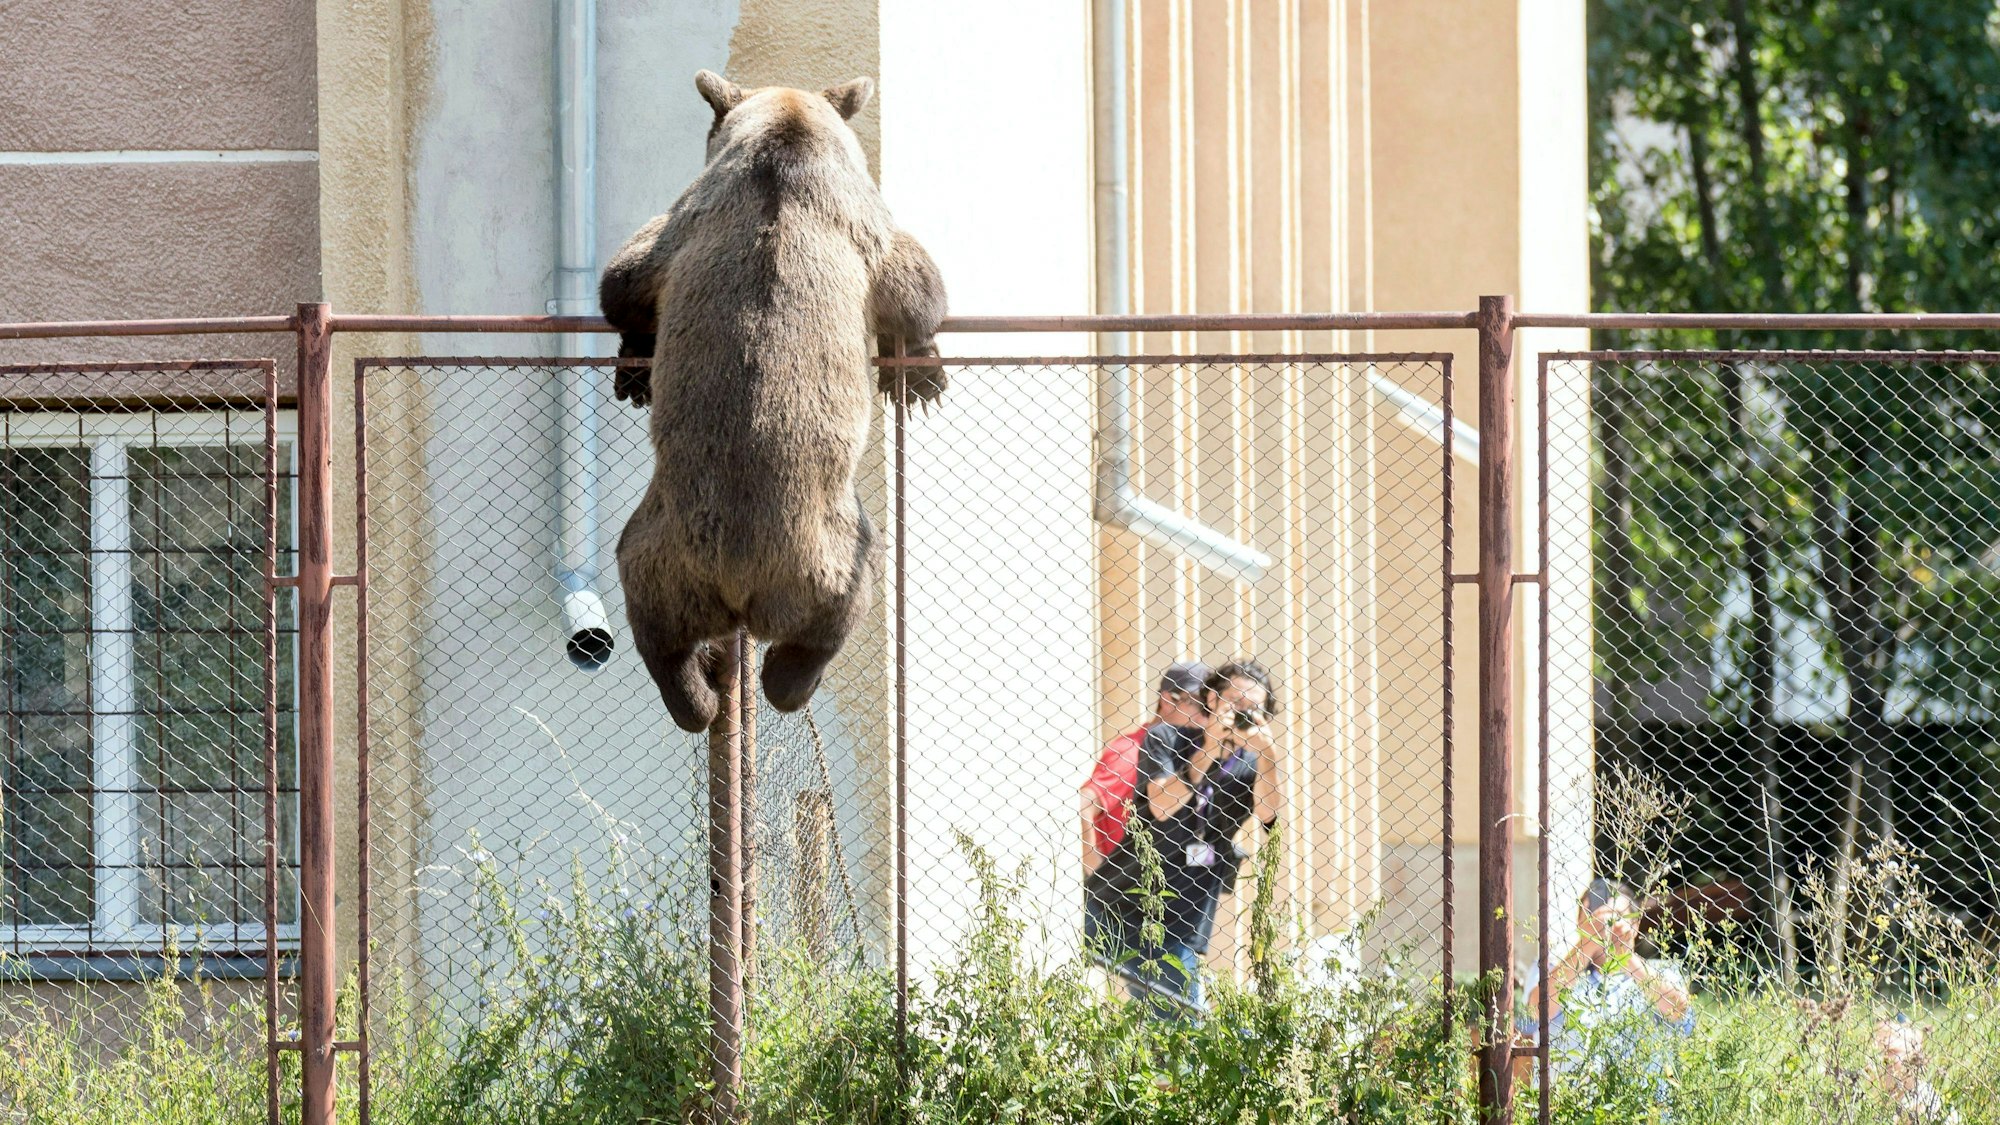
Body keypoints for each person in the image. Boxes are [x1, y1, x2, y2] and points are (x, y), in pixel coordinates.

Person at [1108, 659, 1284, 1014]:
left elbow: (1268, 816)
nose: (1244, 712)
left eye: (1254, 707)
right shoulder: (1167, 739)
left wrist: (1268, 754)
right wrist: (1208, 748)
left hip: (1190, 909)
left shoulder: (1254, 763)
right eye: (1235, 702)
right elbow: (1161, 806)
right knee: (1180, 1023)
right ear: (1212, 701)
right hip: (1137, 900)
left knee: (1175, 1023)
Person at [1519, 878, 1694, 1097]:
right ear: (1580, 924)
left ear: (1636, 924)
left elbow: (1681, 1015)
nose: (1606, 927)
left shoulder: (1660, 972)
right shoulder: (1550, 969)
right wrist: (1586, 946)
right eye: (1594, 920)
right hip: (1566, 1109)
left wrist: (1628, 959)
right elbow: (1530, 1018)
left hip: (1642, 1110)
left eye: (1618, 918)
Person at [1080, 660, 1212, 950]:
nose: (1205, 719)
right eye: (1200, 707)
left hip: (1164, 897)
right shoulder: (1132, 749)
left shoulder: (1195, 753)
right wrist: (1091, 857)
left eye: (1211, 711)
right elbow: (1087, 800)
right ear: (1169, 699)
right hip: (1124, 891)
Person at [1875, 1017, 1960, 1124]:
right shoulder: (1892, 1103)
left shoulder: (1920, 1101)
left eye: (1886, 1061)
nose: (1879, 1070)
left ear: (1912, 1060)